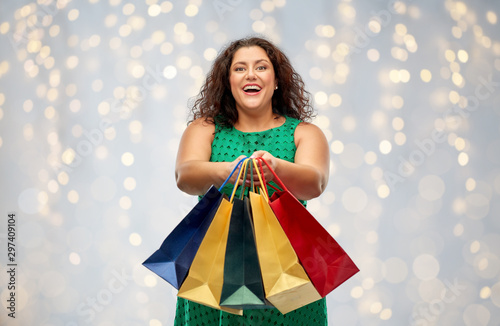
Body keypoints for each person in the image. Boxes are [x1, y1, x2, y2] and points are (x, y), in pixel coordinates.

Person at [174, 36, 330, 325]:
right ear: (228, 81)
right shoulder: (205, 129)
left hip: (289, 271)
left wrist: (275, 168)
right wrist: (226, 171)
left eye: (261, 67)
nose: (250, 74)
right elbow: (185, 177)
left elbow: (315, 183)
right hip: (214, 271)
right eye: (239, 68)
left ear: (277, 80)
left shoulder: (305, 133)